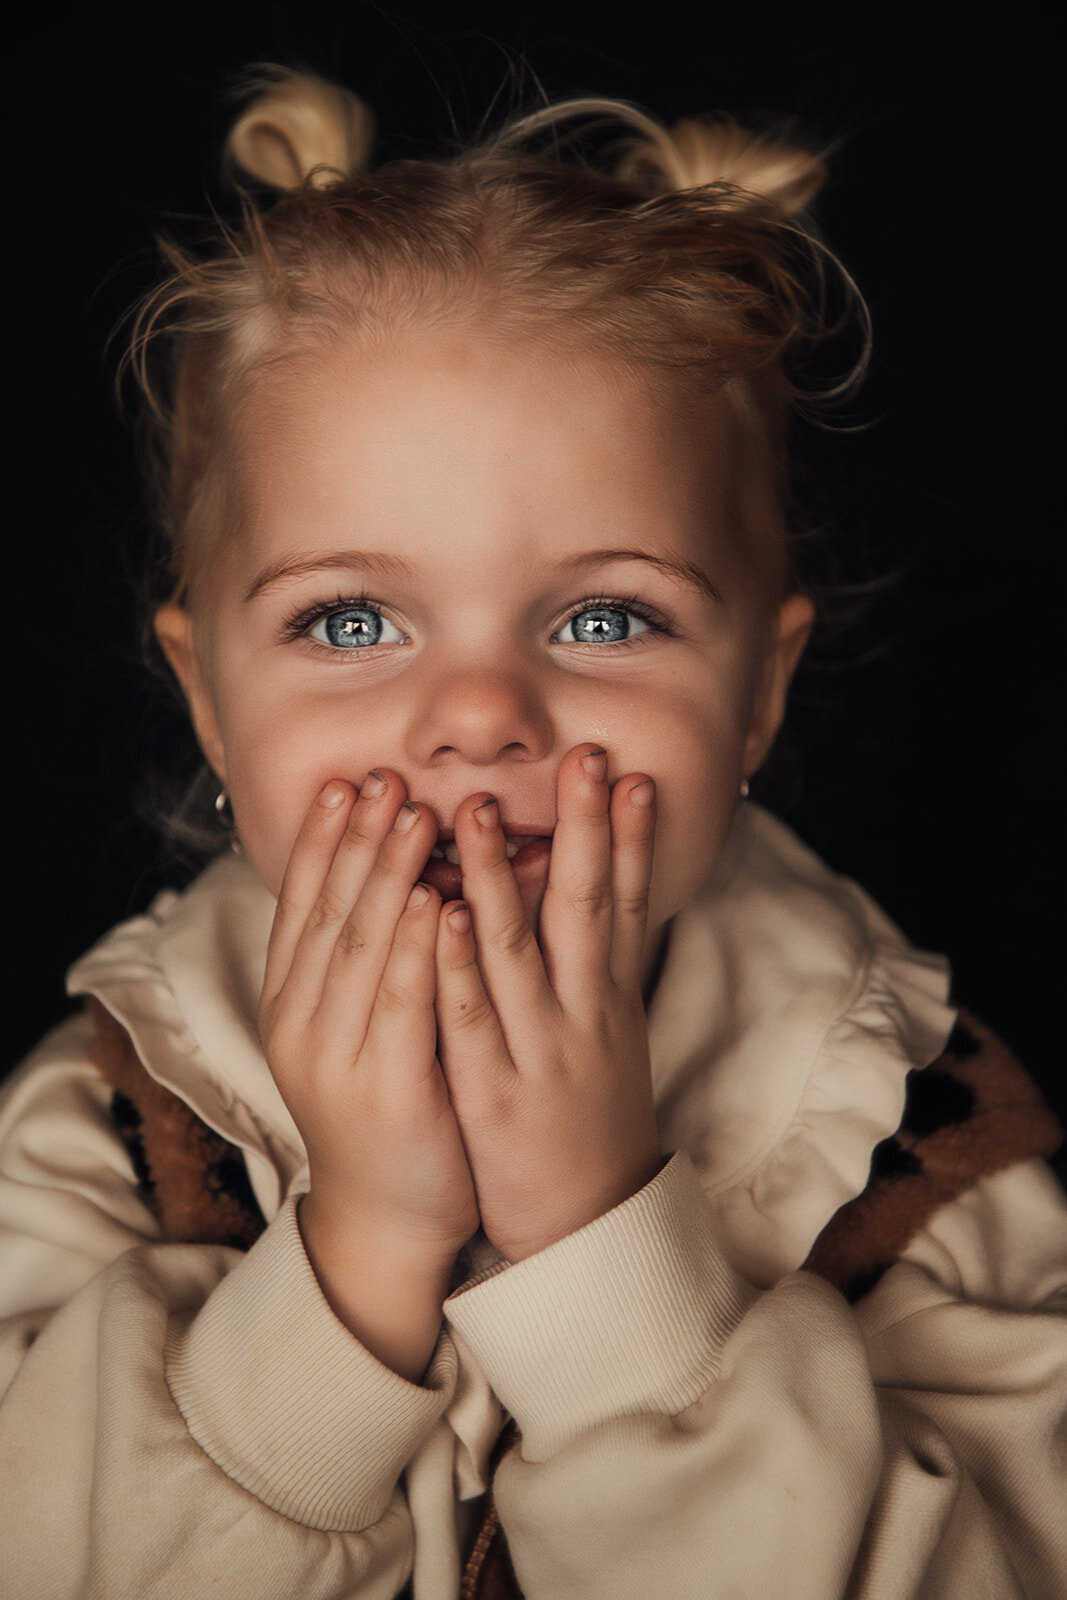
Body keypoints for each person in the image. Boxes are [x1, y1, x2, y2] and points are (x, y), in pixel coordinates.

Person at [1, 65, 1064, 1600]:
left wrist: (603, 1249)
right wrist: (354, 1253)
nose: (483, 715)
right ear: (212, 701)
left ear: (758, 695)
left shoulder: (921, 1131)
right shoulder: (106, 1117)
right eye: (352, 618)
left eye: (605, 615)